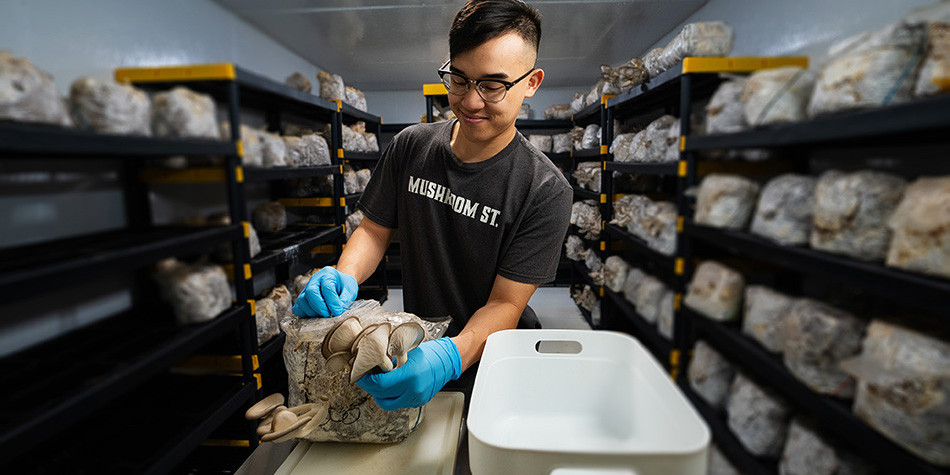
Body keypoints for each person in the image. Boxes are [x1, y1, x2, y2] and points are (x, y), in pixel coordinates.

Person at [292, 0, 572, 410]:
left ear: (531, 82)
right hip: (409, 351)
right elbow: (373, 229)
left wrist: (452, 355)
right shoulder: (411, 146)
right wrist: (343, 274)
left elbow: (506, 303)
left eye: (492, 85)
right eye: (459, 79)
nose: (471, 101)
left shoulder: (545, 188)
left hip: (492, 362)